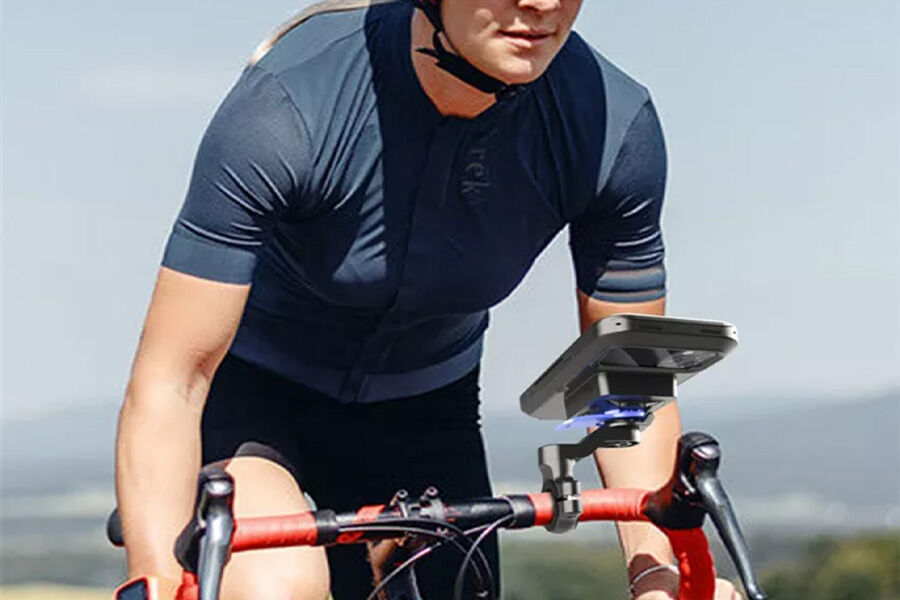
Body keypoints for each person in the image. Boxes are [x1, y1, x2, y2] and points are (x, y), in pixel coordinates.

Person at [114, 1, 743, 599]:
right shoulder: (288, 104)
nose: (541, 4)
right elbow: (172, 379)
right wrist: (156, 578)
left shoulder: (612, 122)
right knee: (271, 581)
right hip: (254, 395)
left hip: (423, 408)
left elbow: (626, 381)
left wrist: (660, 574)